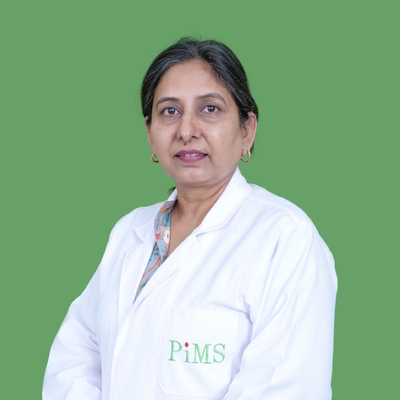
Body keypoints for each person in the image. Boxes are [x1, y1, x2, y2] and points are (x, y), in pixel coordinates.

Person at [43, 38, 337, 400]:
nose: (186, 130)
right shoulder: (129, 232)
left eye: (210, 109)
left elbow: (285, 388)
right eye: (169, 111)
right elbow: (76, 358)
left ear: (247, 130)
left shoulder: (285, 237)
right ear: (150, 133)